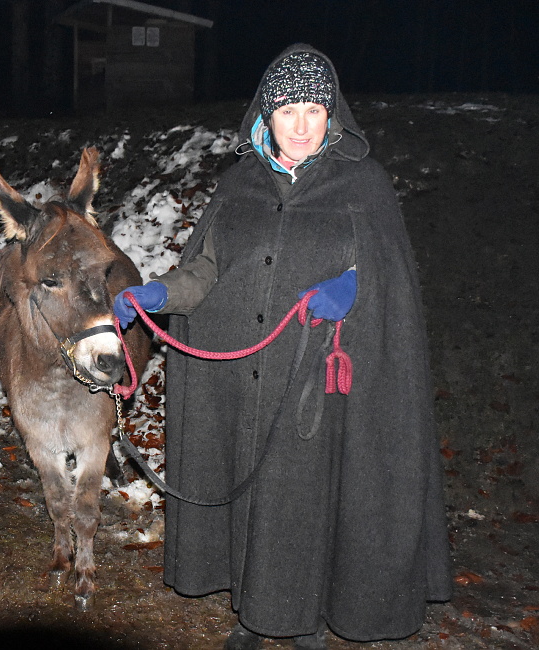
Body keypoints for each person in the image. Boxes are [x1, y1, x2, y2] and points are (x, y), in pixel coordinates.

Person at [114, 45, 451, 648]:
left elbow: (388, 275)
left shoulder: (363, 183)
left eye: (315, 109)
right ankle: (254, 615)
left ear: (333, 116)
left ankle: (303, 624)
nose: (301, 124)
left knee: (305, 499)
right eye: (288, 108)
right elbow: (211, 270)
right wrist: (160, 292)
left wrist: (354, 288)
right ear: (265, 115)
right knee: (255, 496)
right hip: (244, 374)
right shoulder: (239, 183)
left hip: (317, 380)